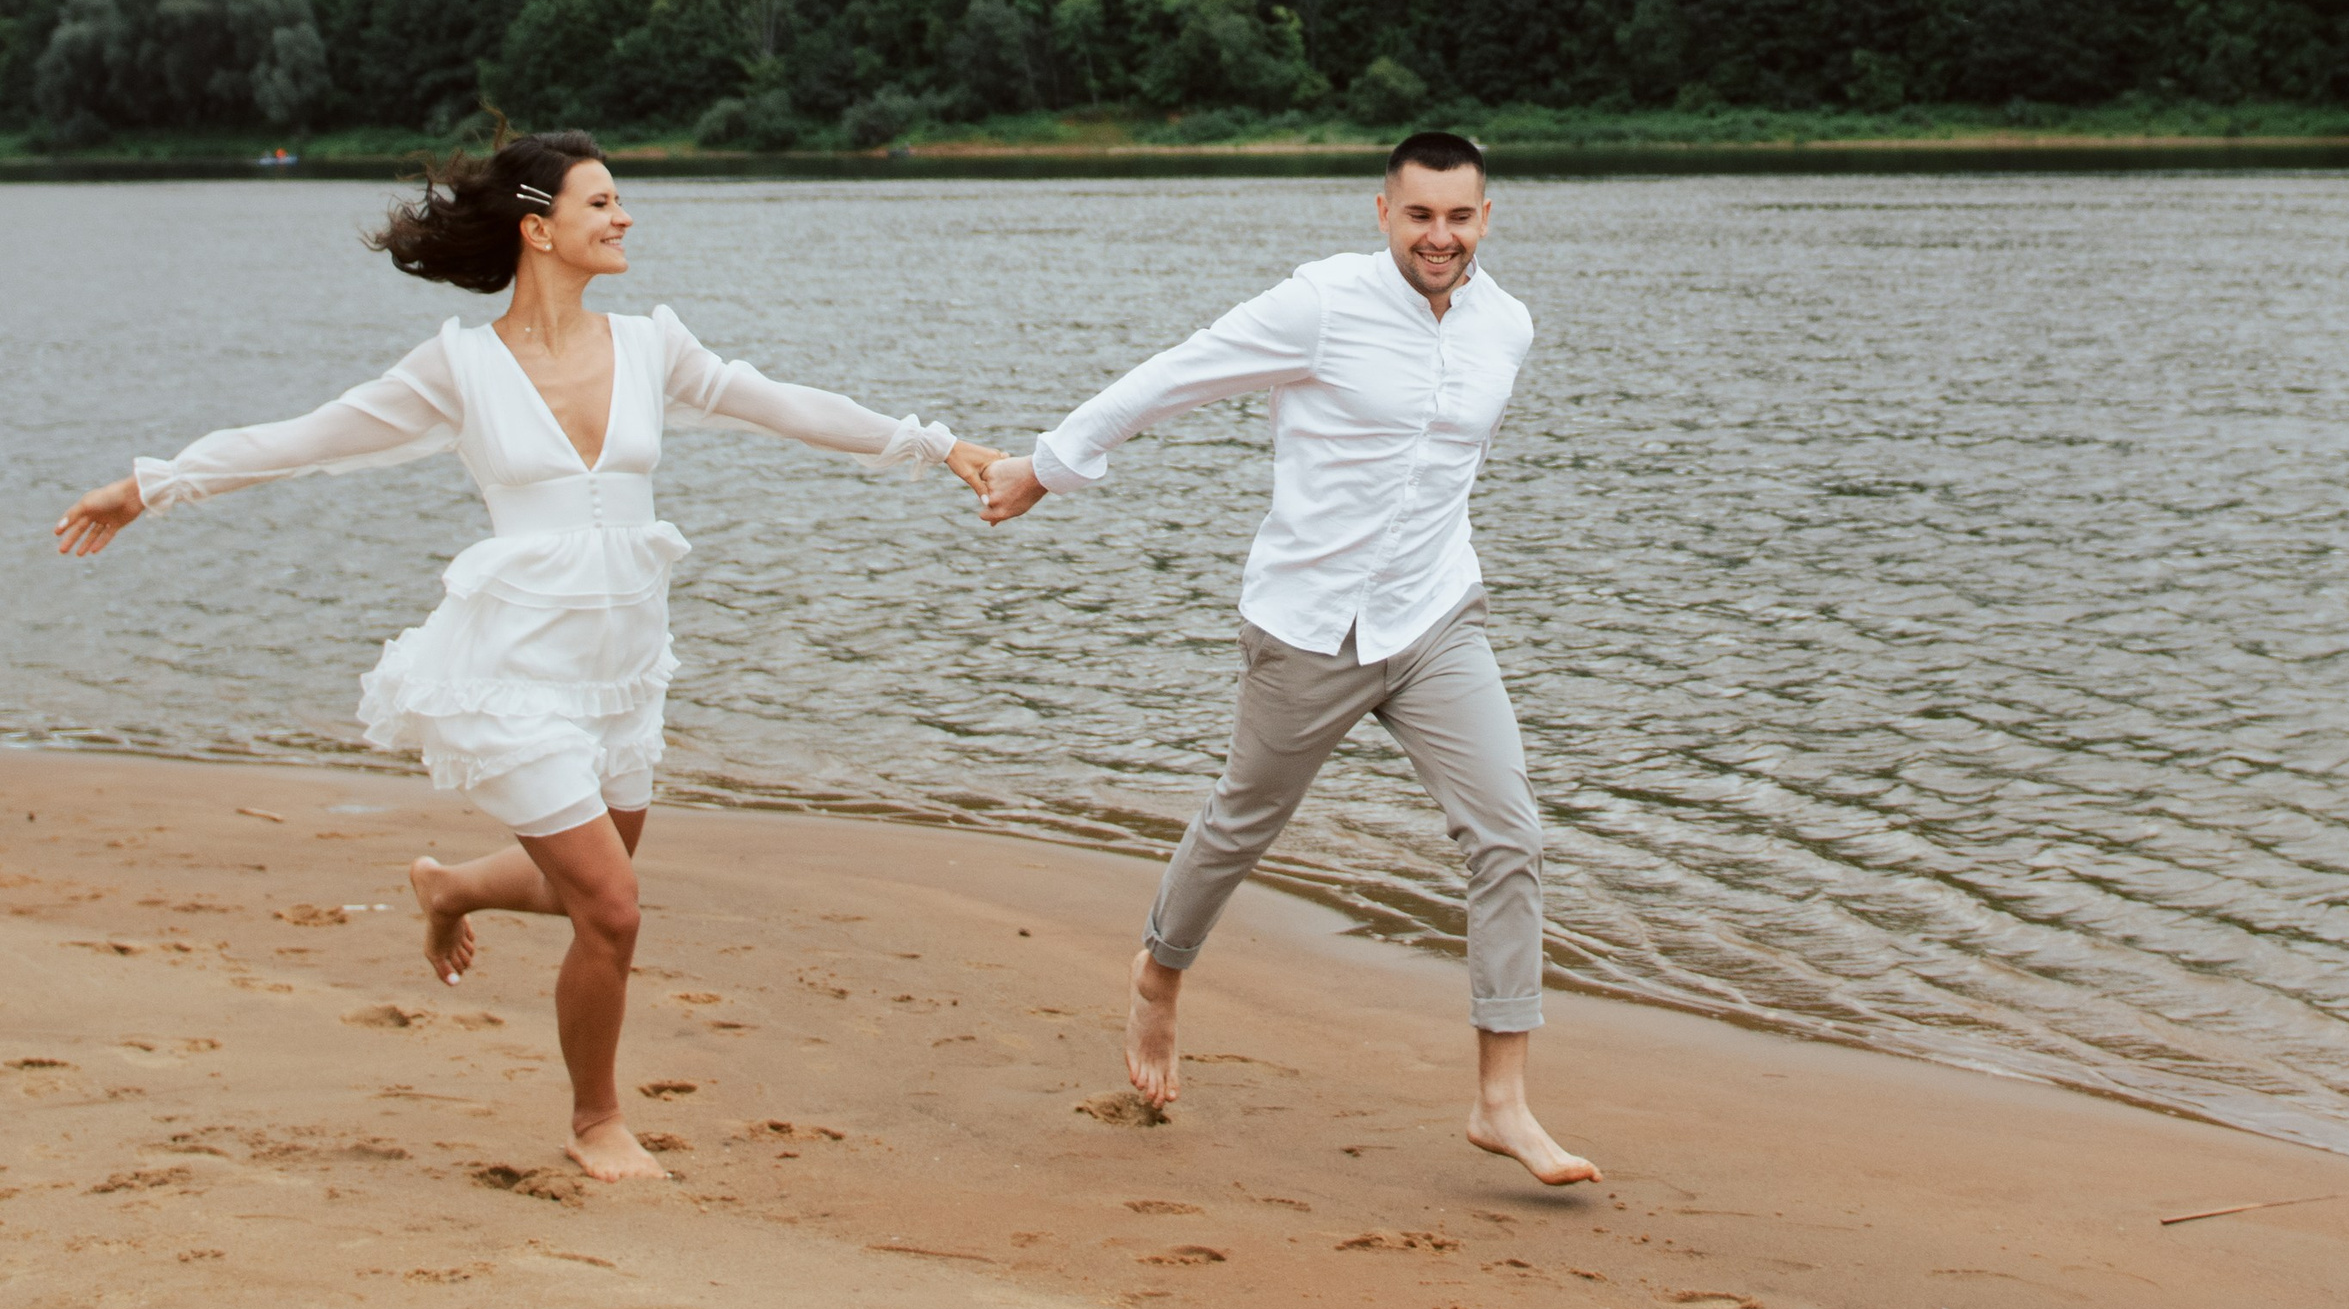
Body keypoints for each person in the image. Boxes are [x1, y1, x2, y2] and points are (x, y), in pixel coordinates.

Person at [54, 127, 997, 1183]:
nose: (624, 216)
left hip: (622, 670)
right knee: (612, 906)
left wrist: (935, 443)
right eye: (601, 202)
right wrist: (151, 485)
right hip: (512, 675)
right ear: (538, 230)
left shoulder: (652, 347)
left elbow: (788, 406)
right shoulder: (458, 369)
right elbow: (306, 439)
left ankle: (451, 887)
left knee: (587, 884)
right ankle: (597, 1121)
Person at [973, 129, 1597, 1185]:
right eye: (1419, 214)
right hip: (1310, 624)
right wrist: (1046, 466)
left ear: (1486, 218)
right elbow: (1173, 377)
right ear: (1383, 212)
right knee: (1241, 822)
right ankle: (1159, 972)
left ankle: (1501, 1101)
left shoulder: (1508, 325)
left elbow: (1451, 464)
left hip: (1436, 615)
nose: (1439, 236)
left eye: (1459, 216)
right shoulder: (1320, 305)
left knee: (1509, 835)